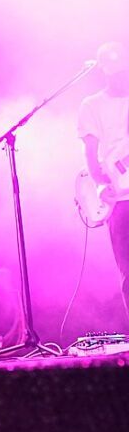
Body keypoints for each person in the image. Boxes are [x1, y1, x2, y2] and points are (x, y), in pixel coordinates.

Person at [78, 41, 129, 318]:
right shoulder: (92, 105)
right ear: (103, 72)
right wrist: (99, 184)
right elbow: (90, 152)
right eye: (114, 72)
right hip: (120, 199)